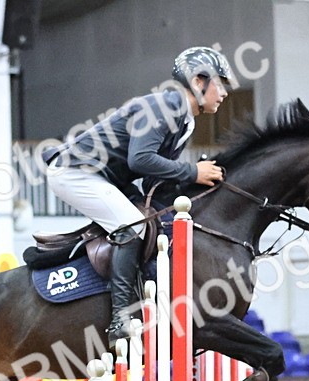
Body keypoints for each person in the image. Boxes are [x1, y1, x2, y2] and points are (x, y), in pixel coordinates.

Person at [45, 46, 230, 346]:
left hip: (108, 176)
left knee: (154, 221)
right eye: (220, 84)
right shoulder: (167, 106)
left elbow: (156, 180)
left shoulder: (185, 119)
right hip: (75, 171)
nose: (223, 94)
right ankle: (120, 318)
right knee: (134, 225)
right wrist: (192, 172)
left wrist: (196, 187)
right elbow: (140, 160)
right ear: (199, 81)